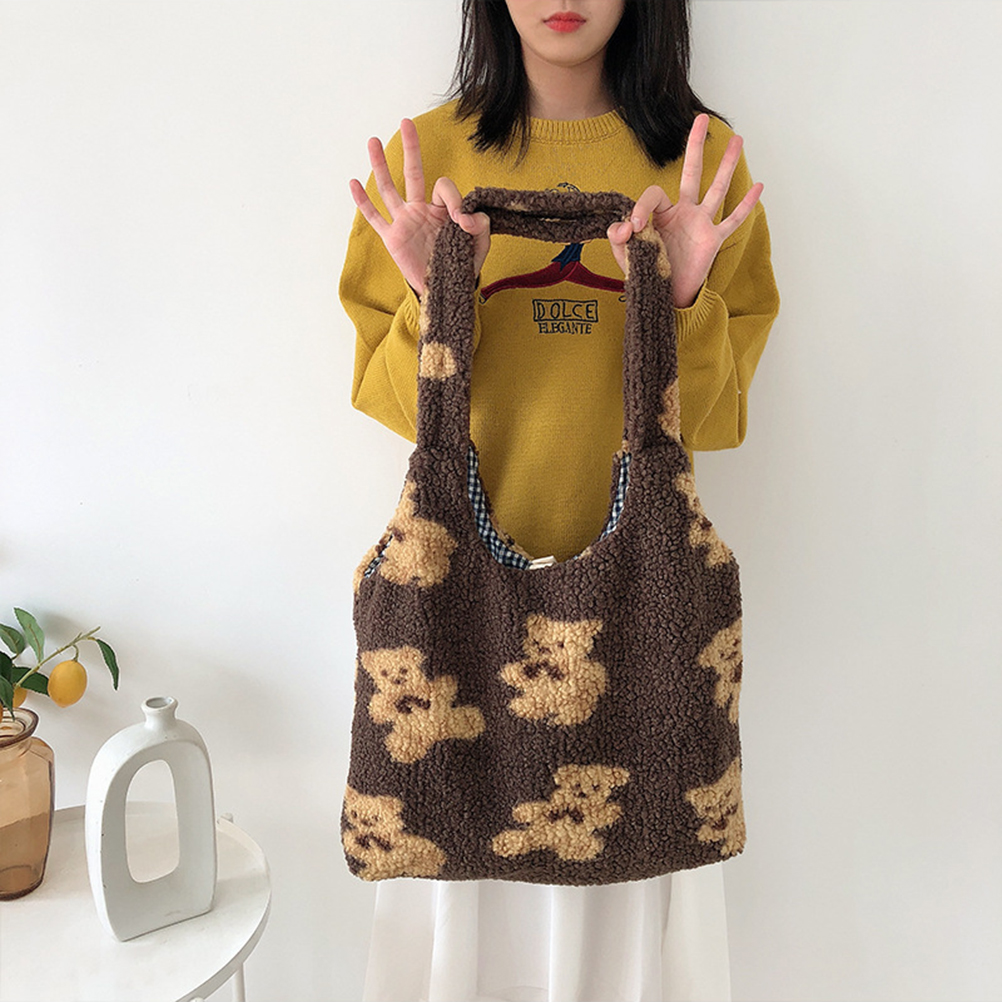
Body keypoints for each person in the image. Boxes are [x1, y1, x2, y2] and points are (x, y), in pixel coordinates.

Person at [340, 2, 779, 999]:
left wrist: (680, 304)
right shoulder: (425, 163)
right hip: (453, 681)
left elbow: (717, 417)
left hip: (643, 680)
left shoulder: (702, 167)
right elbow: (396, 405)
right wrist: (434, 299)